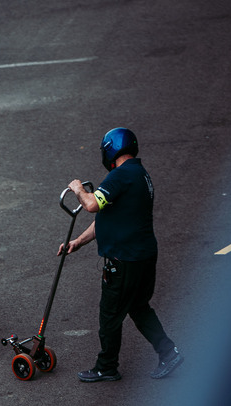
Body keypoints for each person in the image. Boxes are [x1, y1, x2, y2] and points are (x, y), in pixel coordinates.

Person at [59, 127, 183, 382]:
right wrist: (78, 242)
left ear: (110, 151)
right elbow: (108, 217)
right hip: (143, 256)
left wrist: (78, 189)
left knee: (110, 314)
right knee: (139, 307)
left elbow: (92, 205)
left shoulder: (120, 176)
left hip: (125, 260)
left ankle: (106, 366)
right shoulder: (139, 173)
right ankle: (169, 353)